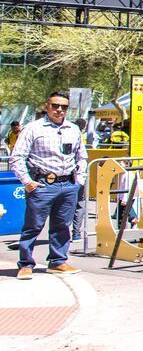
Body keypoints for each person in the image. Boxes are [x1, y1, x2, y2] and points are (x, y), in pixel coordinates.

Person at [10, 91, 88, 278]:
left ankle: (58, 261)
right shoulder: (33, 128)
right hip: (43, 184)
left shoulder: (73, 129)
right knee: (33, 226)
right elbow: (17, 157)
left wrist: (80, 180)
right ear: (47, 106)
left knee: (62, 225)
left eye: (64, 107)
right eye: (55, 105)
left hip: (68, 184)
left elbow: (82, 156)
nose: (59, 110)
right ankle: (26, 264)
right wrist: (27, 182)